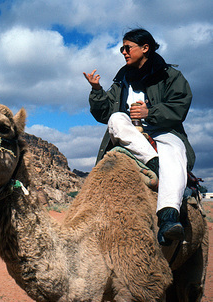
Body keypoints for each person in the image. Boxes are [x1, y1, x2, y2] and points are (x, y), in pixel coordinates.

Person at [83, 28, 195, 246]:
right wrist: (97, 90)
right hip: (131, 134)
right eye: (121, 48)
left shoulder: (170, 76)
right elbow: (104, 114)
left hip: (163, 130)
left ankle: (168, 217)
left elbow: (180, 106)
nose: (123, 52)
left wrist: (149, 113)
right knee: (116, 118)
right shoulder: (122, 78)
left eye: (127, 48)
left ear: (145, 48)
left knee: (175, 150)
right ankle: (154, 163)